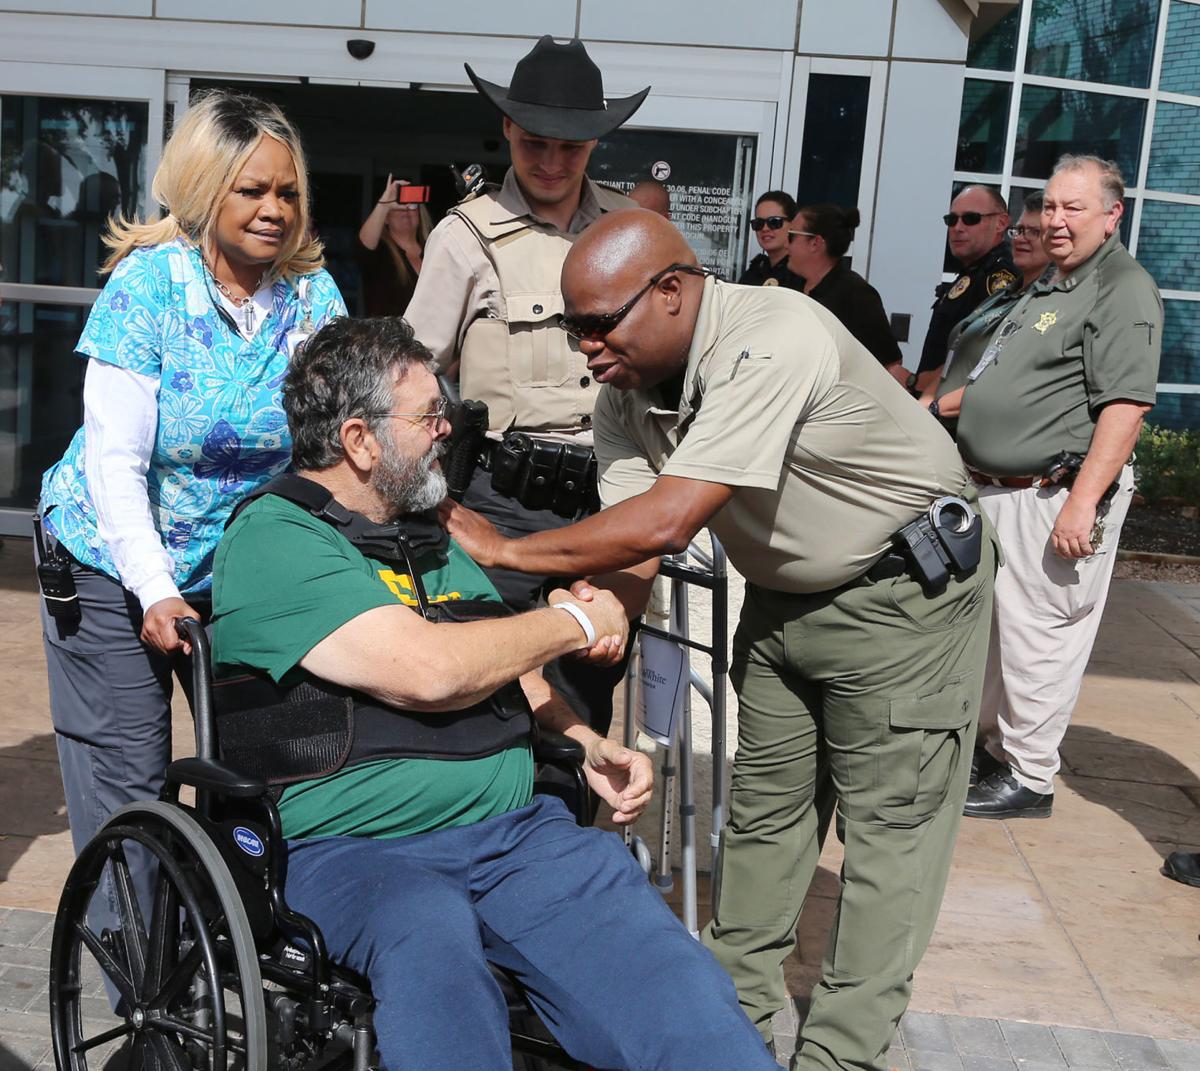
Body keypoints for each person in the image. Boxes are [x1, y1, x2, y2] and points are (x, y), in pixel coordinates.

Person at [443, 208, 997, 1071]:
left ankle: (840, 1059)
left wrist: (508, 549)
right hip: (783, 604)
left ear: (671, 291)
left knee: (889, 845)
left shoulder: (774, 335)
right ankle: (724, 1040)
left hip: (903, 600)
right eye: (573, 327)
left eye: (600, 323)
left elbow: (670, 518)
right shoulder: (625, 394)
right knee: (763, 823)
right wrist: (607, 611)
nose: (586, 347)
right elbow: (635, 540)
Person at [209, 315, 779, 1071]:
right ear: (359, 440)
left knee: (665, 973)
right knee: (427, 930)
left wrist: (583, 740)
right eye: (428, 415)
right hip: (351, 851)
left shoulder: (426, 534)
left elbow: (509, 665)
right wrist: (576, 620)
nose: (446, 429)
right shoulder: (276, 539)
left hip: (515, 836)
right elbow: (432, 672)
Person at [34, 89, 346, 942]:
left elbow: (333, 447)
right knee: (132, 776)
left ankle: (242, 943)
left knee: (270, 762)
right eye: (253, 190)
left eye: (288, 192)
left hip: (235, 566)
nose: (275, 209)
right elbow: (116, 465)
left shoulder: (313, 297)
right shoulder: (149, 286)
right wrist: (155, 588)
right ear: (208, 190)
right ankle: (142, 985)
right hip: (110, 560)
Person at [404, 35, 648, 736]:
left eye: (569, 147)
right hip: (500, 505)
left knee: (583, 704)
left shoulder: (635, 234)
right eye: (534, 142)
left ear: (595, 142)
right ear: (507, 128)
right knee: (487, 704)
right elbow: (410, 376)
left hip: (608, 506)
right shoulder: (465, 236)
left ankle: (567, 807)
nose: (550, 161)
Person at [956, 156, 1161, 819]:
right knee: (1000, 634)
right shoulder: (1052, 281)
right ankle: (996, 751)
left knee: (1040, 634)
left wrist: (1082, 502)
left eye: (1074, 208)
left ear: (1112, 214)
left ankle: (1029, 774)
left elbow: (1125, 408)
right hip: (1002, 492)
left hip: (1053, 492)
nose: (1056, 220)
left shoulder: (1120, 287)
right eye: (1049, 206)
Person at [920, 192, 1052, 439]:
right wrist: (924, 403)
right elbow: (958, 356)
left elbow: (999, 376)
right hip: (944, 422)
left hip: (978, 430)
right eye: (1019, 230)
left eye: (1034, 232)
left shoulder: (1039, 298)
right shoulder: (1005, 293)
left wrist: (932, 407)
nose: (958, 228)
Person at [913, 185, 1016, 395]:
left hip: (950, 402)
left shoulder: (999, 277)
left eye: (971, 219)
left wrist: (918, 383)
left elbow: (981, 355)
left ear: (1001, 223)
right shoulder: (973, 271)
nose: (958, 227)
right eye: (952, 220)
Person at [785, 202, 905, 377]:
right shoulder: (791, 286)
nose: (786, 245)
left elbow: (890, 363)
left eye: (791, 236)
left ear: (815, 243)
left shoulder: (856, 293)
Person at [356, 173, 430, 316]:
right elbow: (364, 247)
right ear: (385, 218)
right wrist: (384, 203)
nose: (406, 209)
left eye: (412, 204)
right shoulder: (381, 252)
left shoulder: (432, 250)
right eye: (399, 204)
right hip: (387, 330)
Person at [738, 189, 804, 290]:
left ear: (793, 224)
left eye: (774, 222)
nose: (765, 229)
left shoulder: (803, 273)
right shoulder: (755, 271)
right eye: (759, 223)